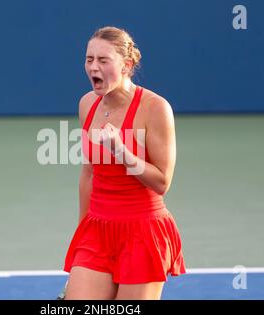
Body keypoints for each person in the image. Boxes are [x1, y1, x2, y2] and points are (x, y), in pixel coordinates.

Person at [62, 26, 186, 300]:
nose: (93, 66)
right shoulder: (87, 105)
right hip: (97, 231)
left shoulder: (155, 108)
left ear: (127, 65)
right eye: (89, 59)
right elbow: (89, 174)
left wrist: (122, 152)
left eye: (103, 60)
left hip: (143, 234)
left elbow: (162, 182)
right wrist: (82, 231)